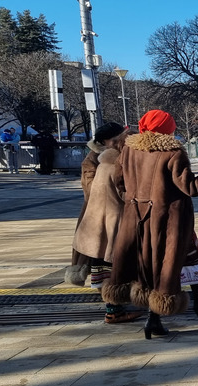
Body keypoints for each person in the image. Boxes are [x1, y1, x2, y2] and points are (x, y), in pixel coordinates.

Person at [102, 110, 198, 339]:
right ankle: (160, 316)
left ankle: (161, 316)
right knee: (166, 265)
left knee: (147, 266)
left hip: (136, 218)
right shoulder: (173, 153)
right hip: (167, 221)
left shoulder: (128, 150)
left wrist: (135, 200)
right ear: (168, 129)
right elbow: (191, 188)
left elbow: (120, 182)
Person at [69, 122, 143, 324]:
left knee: (103, 263)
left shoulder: (105, 162)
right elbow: (124, 193)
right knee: (112, 265)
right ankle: (114, 310)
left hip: (100, 220)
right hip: (112, 220)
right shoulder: (114, 164)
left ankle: (115, 306)